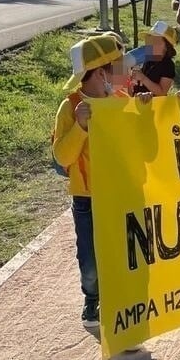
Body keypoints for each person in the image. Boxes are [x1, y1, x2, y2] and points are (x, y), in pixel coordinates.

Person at [52, 34, 125, 329]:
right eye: (116, 66)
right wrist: (81, 127)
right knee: (91, 259)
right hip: (87, 199)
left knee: (122, 251)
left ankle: (122, 297)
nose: (123, 71)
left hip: (120, 194)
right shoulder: (69, 107)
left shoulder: (121, 101)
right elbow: (62, 157)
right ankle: (92, 298)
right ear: (99, 73)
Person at [130, 20, 178, 97]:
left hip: (155, 105)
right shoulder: (143, 57)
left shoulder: (168, 65)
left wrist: (143, 78)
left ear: (166, 46)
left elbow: (162, 92)